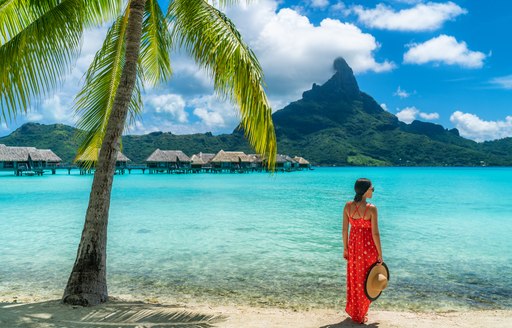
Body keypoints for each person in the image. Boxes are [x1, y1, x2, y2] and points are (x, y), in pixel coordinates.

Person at [342, 178, 383, 324]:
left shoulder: (348, 206)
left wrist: (345, 248)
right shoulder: (371, 208)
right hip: (368, 248)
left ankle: (356, 312)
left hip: (353, 247)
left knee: (355, 278)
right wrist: (380, 253)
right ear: (365, 190)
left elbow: (344, 230)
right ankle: (362, 312)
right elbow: (375, 234)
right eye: (372, 188)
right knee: (367, 279)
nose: (373, 190)